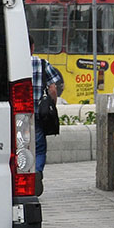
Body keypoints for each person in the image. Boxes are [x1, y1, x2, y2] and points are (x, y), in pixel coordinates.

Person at [31, 36, 64, 174]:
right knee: (39, 148)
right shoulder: (42, 63)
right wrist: (52, 105)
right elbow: (53, 88)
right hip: (38, 113)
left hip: (16, 114)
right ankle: (37, 174)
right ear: (32, 47)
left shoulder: (10, 63)